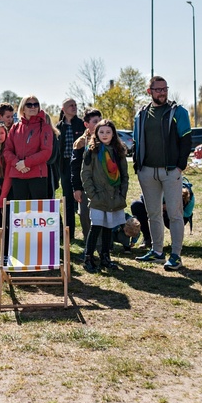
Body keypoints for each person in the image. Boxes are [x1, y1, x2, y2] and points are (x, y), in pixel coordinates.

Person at [133, 76, 193, 271]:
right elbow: (136, 142)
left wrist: (180, 166)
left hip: (170, 171)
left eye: (164, 89)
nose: (162, 92)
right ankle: (157, 251)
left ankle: (176, 255)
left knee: (175, 213)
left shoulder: (178, 112)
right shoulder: (140, 115)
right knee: (153, 213)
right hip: (147, 171)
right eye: (158, 89)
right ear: (149, 91)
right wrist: (137, 165)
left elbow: (186, 140)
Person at [80, 119, 129, 273]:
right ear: (96, 133)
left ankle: (105, 257)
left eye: (108, 132)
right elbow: (85, 174)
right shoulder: (92, 150)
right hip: (98, 196)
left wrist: (122, 194)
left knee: (109, 227)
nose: (105, 135)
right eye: (101, 132)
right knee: (96, 227)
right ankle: (88, 257)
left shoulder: (118, 150)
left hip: (114, 196)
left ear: (113, 133)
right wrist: (93, 195)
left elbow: (124, 176)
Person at [3, 95, 53, 200]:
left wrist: (26, 163)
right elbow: (7, 150)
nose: (33, 107)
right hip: (17, 175)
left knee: (39, 212)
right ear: (23, 108)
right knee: (20, 213)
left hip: (37, 176)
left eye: (36, 104)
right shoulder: (15, 127)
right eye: (29, 105)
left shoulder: (45, 127)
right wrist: (17, 163)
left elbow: (46, 152)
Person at [71, 108, 102, 241]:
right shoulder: (80, 143)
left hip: (102, 186)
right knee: (85, 215)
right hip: (85, 187)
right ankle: (89, 245)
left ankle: (103, 246)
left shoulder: (107, 139)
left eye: (101, 120)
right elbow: (75, 168)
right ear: (86, 124)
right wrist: (77, 188)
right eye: (95, 121)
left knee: (103, 216)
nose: (99, 123)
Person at [57, 98, 85, 239]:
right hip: (64, 167)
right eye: (71, 105)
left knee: (83, 199)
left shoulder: (81, 124)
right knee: (67, 199)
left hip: (80, 165)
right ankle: (70, 234)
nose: (74, 107)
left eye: (75, 105)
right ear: (63, 109)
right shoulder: (58, 127)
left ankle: (89, 233)